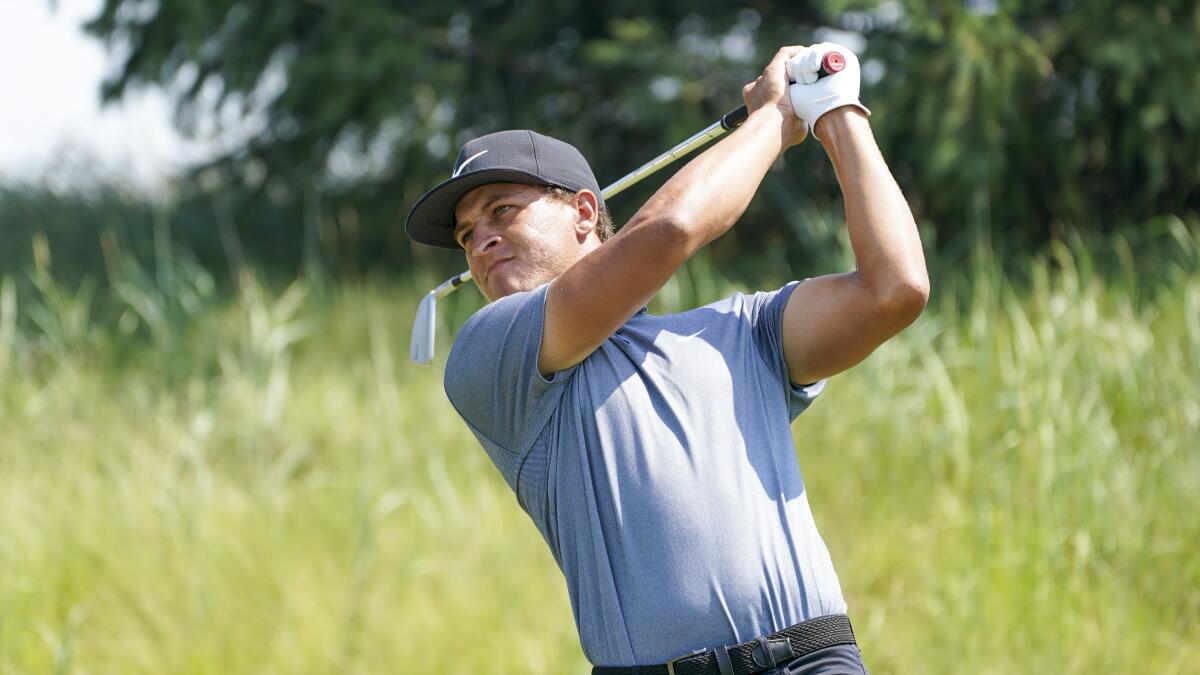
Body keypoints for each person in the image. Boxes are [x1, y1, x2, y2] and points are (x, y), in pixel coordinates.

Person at [405, 43, 927, 675]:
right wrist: (772, 118)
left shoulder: (742, 331)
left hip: (811, 658)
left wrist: (835, 111)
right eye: (465, 236)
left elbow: (894, 289)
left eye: (502, 211)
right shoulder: (489, 358)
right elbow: (671, 231)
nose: (480, 240)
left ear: (584, 212)